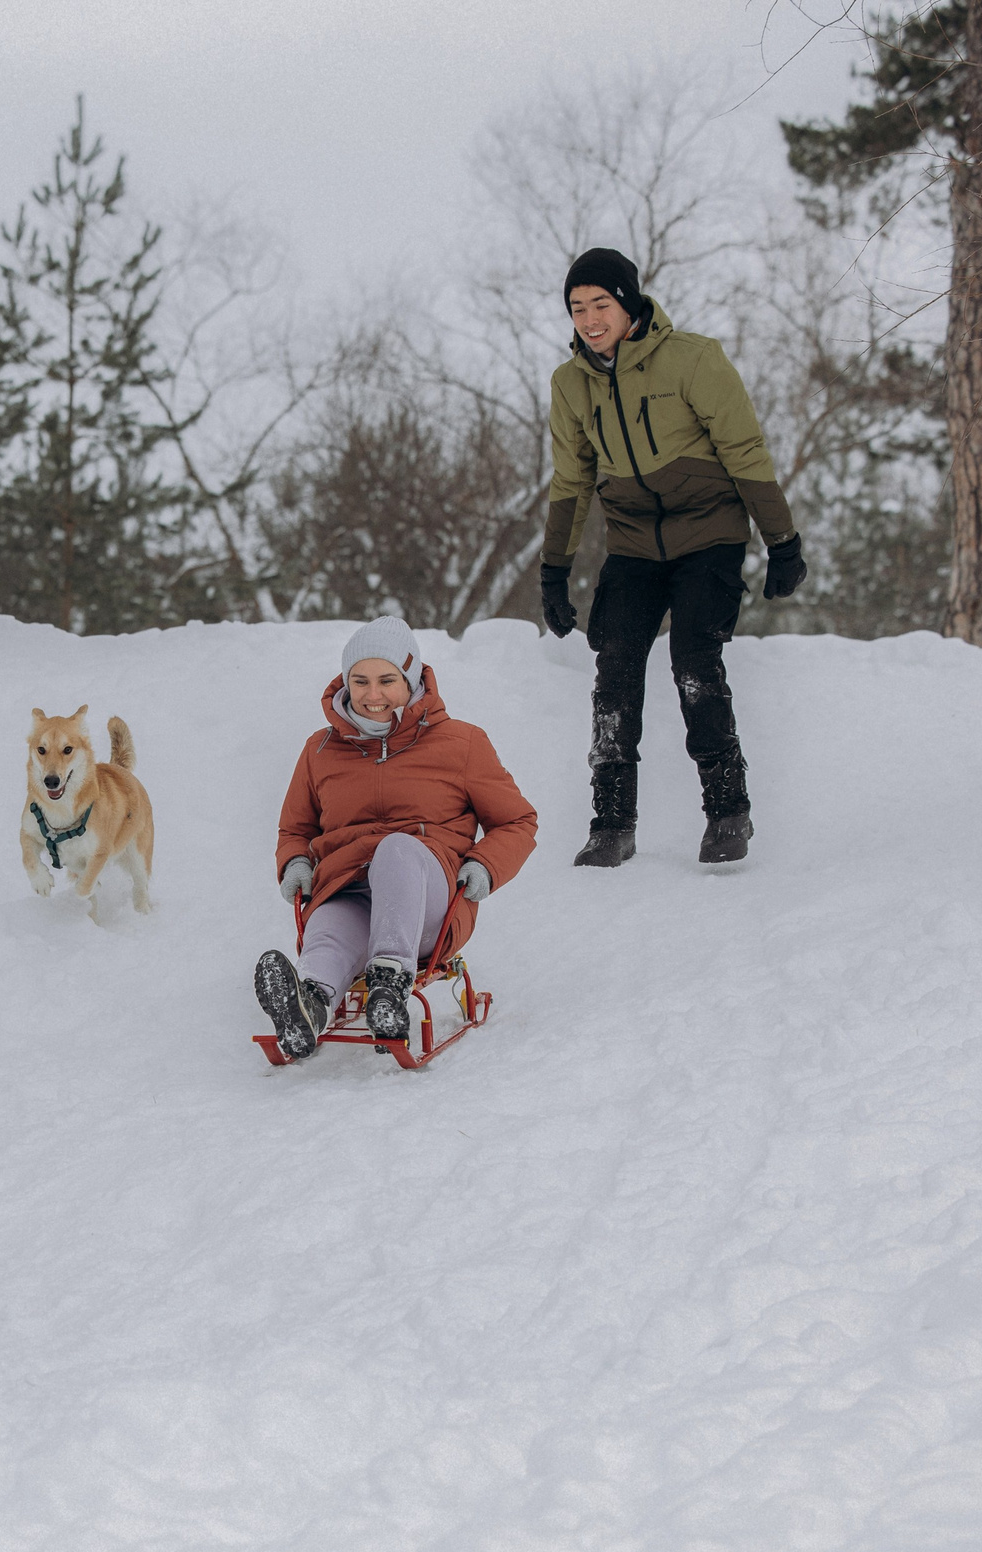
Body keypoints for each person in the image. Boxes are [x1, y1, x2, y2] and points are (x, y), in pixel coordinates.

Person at [536, 246, 806, 867]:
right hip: (633, 544)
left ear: (629, 304)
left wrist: (781, 540)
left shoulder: (694, 360)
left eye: (600, 304)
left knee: (694, 658)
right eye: (577, 308)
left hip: (708, 535)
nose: (589, 318)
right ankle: (611, 822)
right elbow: (570, 483)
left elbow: (745, 452)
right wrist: (554, 571)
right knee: (616, 667)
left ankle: (727, 809)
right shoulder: (570, 385)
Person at [254, 617, 538, 1062]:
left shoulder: (461, 742)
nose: (372, 696)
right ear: (344, 683)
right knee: (327, 928)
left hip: (427, 901)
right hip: (348, 887)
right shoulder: (320, 749)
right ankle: (309, 1004)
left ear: (411, 680)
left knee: (397, 849)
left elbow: (517, 821)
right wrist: (295, 862)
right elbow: (296, 829)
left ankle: (389, 985)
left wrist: (485, 865)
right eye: (360, 681)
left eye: (387, 680)